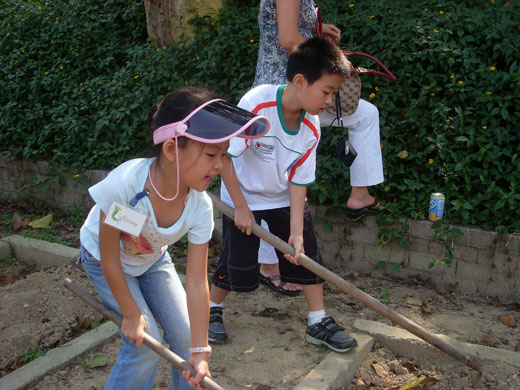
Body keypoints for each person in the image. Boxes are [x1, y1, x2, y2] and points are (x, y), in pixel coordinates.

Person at [77, 87, 269, 390]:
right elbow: (111, 256)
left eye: (223, 154)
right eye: (210, 154)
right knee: (144, 342)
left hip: (151, 259)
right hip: (104, 259)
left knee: (185, 337)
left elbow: (195, 282)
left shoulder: (199, 207)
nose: (219, 166)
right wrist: (130, 313)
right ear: (170, 150)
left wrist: (200, 351)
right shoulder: (127, 187)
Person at [208, 37, 358, 353]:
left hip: (281, 197)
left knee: (307, 257)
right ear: (300, 82)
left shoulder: (312, 127)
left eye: (333, 93)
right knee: (238, 259)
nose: (330, 100)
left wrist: (295, 233)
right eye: (327, 91)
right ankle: (211, 309)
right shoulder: (257, 103)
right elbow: (227, 158)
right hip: (243, 192)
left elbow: (299, 181)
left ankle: (317, 321)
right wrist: (241, 208)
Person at [254, 0, 384, 288]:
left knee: (365, 114)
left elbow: (286, 25)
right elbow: (288, 38)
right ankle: (268, 263)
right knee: (274, 178)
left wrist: (316, 28)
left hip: (306, 92)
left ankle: (360, 193)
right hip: (283, 93)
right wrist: (333, 60)